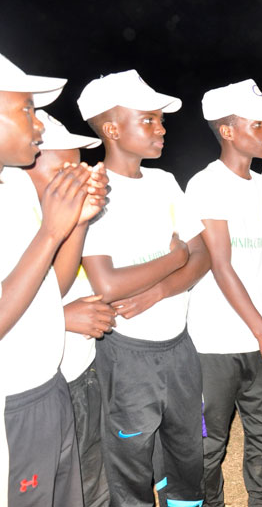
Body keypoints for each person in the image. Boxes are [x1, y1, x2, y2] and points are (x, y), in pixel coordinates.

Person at [78, 70, 210, 507]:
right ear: (113, 130)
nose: (162, 128)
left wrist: (159, 291)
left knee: (187, 450)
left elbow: (203, 254)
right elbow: (108, 284)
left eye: (161, 120)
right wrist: (174, 260)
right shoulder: (93, 191)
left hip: (179, 344)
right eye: (149, 120)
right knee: (131, 462)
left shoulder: (165, 183)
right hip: (128, 353)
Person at [186, 79, 262, 506]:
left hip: (260, 331)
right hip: (216, 342)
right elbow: (221, 265)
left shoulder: (260, 185)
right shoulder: (207, 185)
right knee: (209, 444)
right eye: (258, 124)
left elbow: (258, 257)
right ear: (227, 130)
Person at [1, 53, 105, 507]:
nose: (39, 126)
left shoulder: (16, 187)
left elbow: (48, 291)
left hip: (50, 385)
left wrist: (75, 223)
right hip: (13, 402)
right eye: (25, 109)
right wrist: (50, 232)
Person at [24, 110, 114, 507]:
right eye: (66, 169)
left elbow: (55, 285)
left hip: (81, 369)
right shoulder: (18, 222)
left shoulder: (58, 216)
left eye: (79, 167)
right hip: (34, 390)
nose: (79, 178)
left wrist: (80, 221)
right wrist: (60, 319)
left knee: (92, 480)